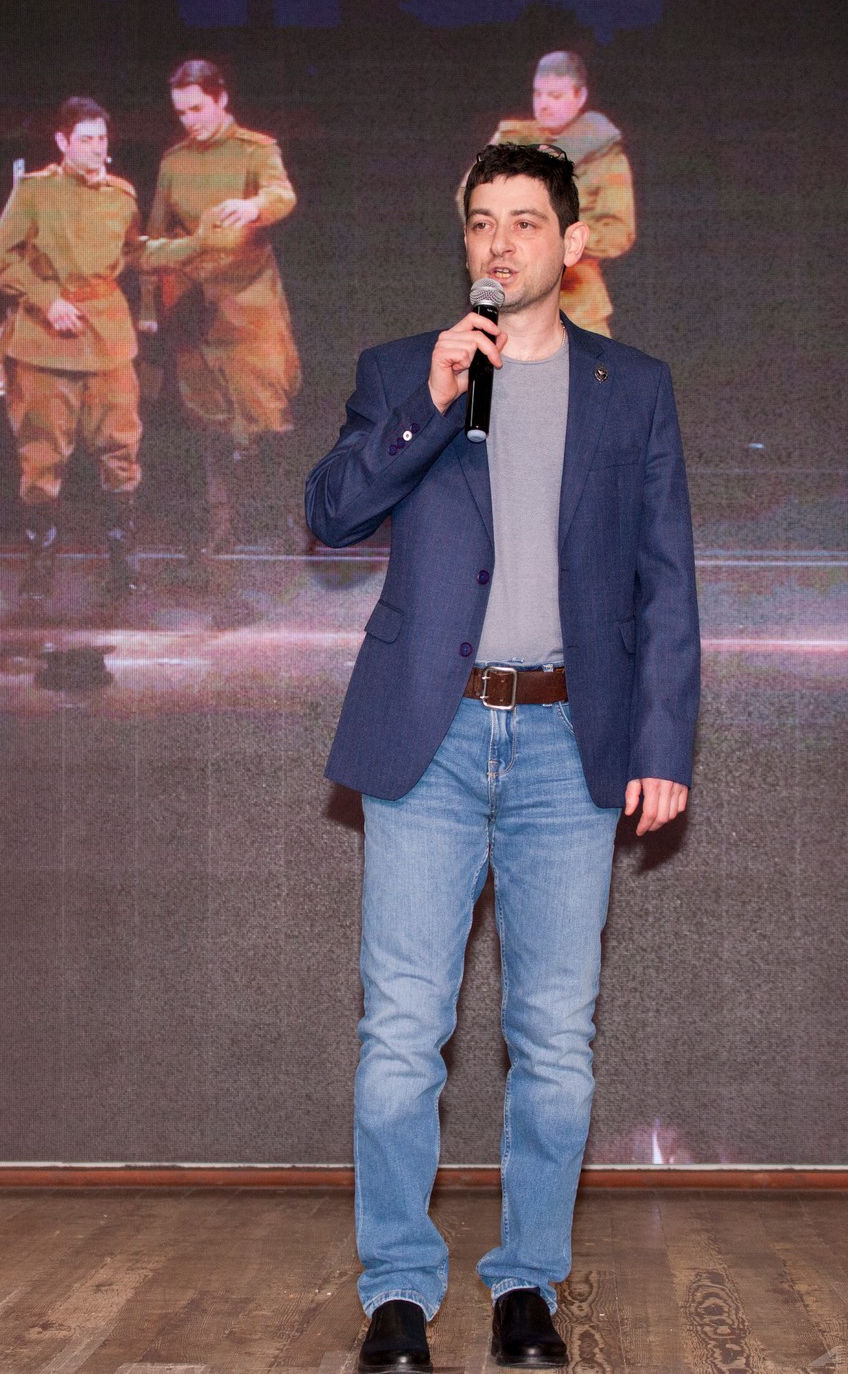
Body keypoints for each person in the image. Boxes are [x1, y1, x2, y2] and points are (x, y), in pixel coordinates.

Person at [307, 143, 698, 1371]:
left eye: (525, 221)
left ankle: (526, 1279)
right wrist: (427, 404)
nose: (498, 243)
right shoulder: (403, 370)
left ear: (570, 244)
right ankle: (396, 1288)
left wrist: (661, 740)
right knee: (399, 1033)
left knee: (554, 1039)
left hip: (565, 744)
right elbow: (329, 512)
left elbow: (664, 581)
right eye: (481, 220)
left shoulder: (632, 387)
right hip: (427, 743)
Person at [0, 97, 212, 600]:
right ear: (62, 142)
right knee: (42, 455)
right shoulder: (35, 192)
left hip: (107, 337)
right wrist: (47, 300)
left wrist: (195, 244)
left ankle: (121, 561)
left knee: (121, 449)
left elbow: (135, 252)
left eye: (101, 139)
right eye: (85, 139)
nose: (95, 148)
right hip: (46, 341)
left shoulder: (121, 195)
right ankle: (40, 565)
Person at [140, 58, 301, 554]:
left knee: (266, 410)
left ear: (221, 99)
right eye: (182, 112)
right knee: (207, 416)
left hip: (249, 304)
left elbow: (281, 194)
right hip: (193, 304)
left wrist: (254, 207)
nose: (190, 120)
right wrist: (148, 308)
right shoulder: (174, 162)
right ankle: (222, 526)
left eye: (197, 108)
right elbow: (154, 238)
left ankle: (279, 523)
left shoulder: (256, 149)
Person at [465, 51, 635, 337]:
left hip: (578, 303)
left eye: (555, 96)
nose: (544, 104)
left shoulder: (602, 150)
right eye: (539, 94)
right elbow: (467, 196)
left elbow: (618, 231)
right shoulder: (513, 138)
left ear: (580, 96)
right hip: (506, 305)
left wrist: (554, 235)